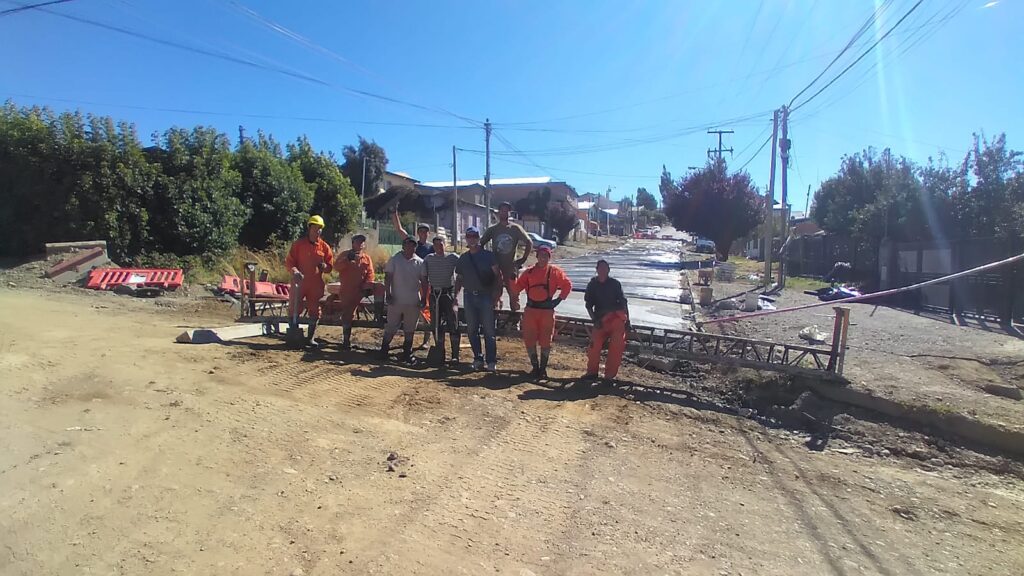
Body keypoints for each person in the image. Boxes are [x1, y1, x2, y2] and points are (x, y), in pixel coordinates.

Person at [514, 245, 572, 378]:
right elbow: (517, 288)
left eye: (546, 256)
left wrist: (558, 300)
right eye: (541, 256)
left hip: (546, 312)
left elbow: (567, 285)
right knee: (529, 339)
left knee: (546, 340)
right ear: (537, 257)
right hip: (531, 311)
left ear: (549, 258)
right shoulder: (528, 272)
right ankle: (535, 367)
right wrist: (512, 278)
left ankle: (543, 369)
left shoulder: (555, 272)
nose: (543, 258)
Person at [454, 226, 501, 372]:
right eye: (469, 236)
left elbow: (498, 276)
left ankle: (491, 361)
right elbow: (459, 278)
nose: (472, 239)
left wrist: (497, 295)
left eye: (474, 236)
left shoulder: (488, 256)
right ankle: (478, 358)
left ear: (479, 238)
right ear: (466, 239)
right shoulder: (463, 258)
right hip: (469, 296)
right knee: (471, 330)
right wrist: (455, 296)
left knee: (489, 331)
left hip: (485, 296)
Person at [285, 215, 334, 347]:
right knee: (294, 308)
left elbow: (330, 267)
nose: (317, 230)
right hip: (299, 282)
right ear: (309, 228)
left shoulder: (324, 247)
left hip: (315, 284)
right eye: (315, 228)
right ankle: (294, 335)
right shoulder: (298, 245)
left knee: (315, 310)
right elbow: (289, 262)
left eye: (319, 228)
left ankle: (310, 338)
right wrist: (295, 271)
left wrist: (324, 266)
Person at [480, 201, 532, 320]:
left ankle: (515, 321)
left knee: (514, 294)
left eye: (506, 210)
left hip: (510, 267)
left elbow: (529, 242)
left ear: (509, 212)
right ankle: (495, 318)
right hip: (496, 268)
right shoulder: (493, 229)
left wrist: (523, 259)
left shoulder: (515, 228)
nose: (504, 212)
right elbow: (481, 244)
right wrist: (486, 260)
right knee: (495, 294)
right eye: (502, 210)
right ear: (499, 212)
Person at [583, 259, 631, 381]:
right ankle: (592, 372)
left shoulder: (615, 284)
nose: (603, 270)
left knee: (617, 346)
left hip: (616, 319)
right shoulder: (592, 285)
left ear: (609, 270)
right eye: (600, 268)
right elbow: (588, 305)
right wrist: (594, 320)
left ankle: (610, 376)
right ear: (596, 270)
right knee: (594, 345)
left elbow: (623, 302)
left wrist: (628, 320)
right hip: (601, 320)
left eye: (605, 268)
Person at [380, 237, 426, 363]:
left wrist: (423, 298)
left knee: (410, 329)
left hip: (413, 301)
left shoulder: (420, 262)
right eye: (408, 245)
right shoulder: (394, 260)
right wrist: (388, 294)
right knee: (391, 327)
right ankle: (384, 350)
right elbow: (388, 277)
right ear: (403, 246)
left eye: (413, 246)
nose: (410, 248)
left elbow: (424, 281)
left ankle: (407, 352)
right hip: (396, 300)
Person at [421, 235, 462, 365]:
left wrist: (456, 294)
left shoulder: (452, 257)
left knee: (453, 324)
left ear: (445, 244)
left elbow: (463, 269)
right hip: (434, 294)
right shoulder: (428, 259)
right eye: (436, 245)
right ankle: (440, 351)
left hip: (448, 293)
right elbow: (423, 277)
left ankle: (455, 355)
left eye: (441, 244)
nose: (439, 247)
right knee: (436, 324)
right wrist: (424, 296)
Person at [335, 234, 376, 350]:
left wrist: (368, 286)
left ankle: (346, 340)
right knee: (347, 315)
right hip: (346, 290)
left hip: (360, 291)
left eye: (362, 242)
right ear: (353, 243)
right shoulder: (345, 255)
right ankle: (346, 340)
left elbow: (370, 273)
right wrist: (347, 260)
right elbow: (336, 267)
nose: (360, 244)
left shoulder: (366, 258)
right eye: (358, 242)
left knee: (351, 314)